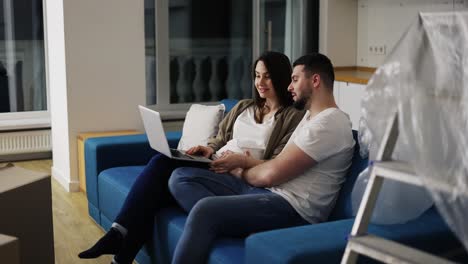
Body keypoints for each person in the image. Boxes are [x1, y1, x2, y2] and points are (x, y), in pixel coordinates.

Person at [78, 51, 305, 264]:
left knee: (164, 182)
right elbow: (221, 137)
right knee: (161, 163)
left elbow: (278, 162)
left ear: (281, 77)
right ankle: (121, 243)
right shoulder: (245, 106)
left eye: (267, 76)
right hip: (216, 162)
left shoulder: (292, 117)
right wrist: (208, 149)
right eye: (257, 76)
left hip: (239, 175)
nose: (260, 83)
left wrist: (241, 162)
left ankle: (120, 240)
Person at [168, 53, 356, 264]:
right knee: (182, 177)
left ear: (315, 81)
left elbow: (270, 175)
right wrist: (245, 162)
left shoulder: (329, 124)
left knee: (205, 210)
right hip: (268, 193)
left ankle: (223, 222)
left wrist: (239, 167)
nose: (289, 87)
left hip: (293, 209)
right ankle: (230, 222)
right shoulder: (311, 118)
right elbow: (277, 165)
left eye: (295, 79)